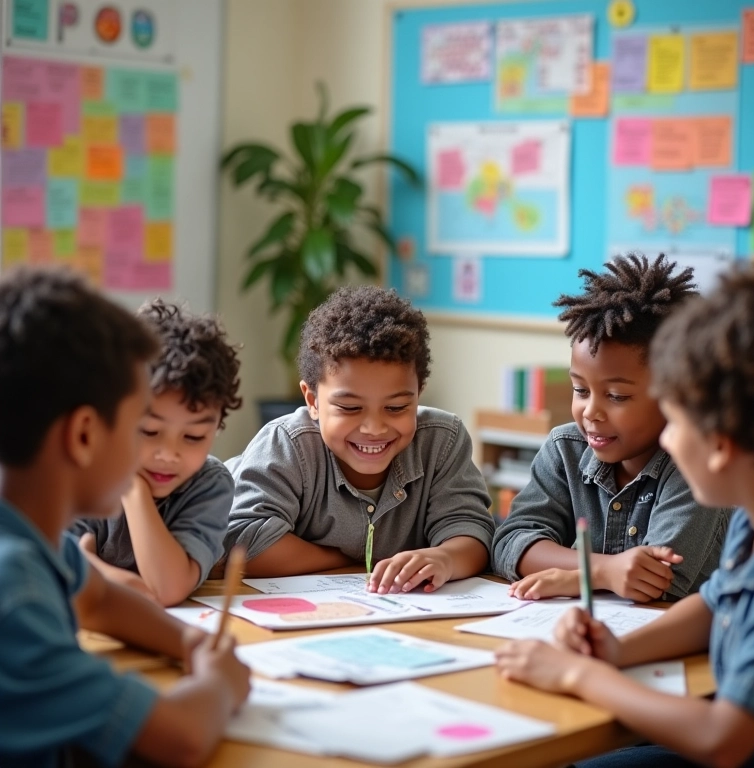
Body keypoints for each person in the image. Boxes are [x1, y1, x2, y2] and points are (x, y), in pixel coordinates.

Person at [495, 266, 754, 768]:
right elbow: (713, 604)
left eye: (677, 422)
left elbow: (723, 740)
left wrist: (581, 676)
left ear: (721, 444)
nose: (668, 439)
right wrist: (618, 651)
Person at [0, 266, 250, 768]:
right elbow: (180, 739)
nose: (158, 453)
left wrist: (190, 641)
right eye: (141, 426)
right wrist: (218, 683)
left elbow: (96, 598)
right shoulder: (15, 592)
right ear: (86, 434)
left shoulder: (28, 538)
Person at [223, 285, 494, 593]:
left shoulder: (442, 441)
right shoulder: (288, 444)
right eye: (350, 408)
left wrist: (445, 557)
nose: (375, 428)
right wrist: (343, 559)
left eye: (396, 407)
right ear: (312, 400)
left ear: (418, 394)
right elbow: (244, 542)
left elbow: (474, 531)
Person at [492, 254, 731, 602]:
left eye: (617, 396)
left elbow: (657, 582)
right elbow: (510, 544)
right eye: (580, 390)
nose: (591, 412)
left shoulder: (694, 466)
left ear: (675, 394)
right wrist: (604, 571)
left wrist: (572, 575)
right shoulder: (566, 449)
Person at [72, 299, 242, 606]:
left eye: (194, 436)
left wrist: (133, 489)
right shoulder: (81, 473)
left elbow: (165, 590)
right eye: (149, 431)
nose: (168, 454)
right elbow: (56, 575)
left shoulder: (209, 484)